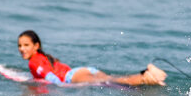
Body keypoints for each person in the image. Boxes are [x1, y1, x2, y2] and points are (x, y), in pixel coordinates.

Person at [17, 30, 167, 86]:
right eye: (19, 45)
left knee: (113, 82)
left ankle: (146, 76)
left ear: (36, 46)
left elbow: (51, 78)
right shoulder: (43, 57)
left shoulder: (34, 61)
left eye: (26, 45)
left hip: (72, 77)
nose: (22, 49)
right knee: (114, 80)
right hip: (80, 71)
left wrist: (61, 88)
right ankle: (146, 76)